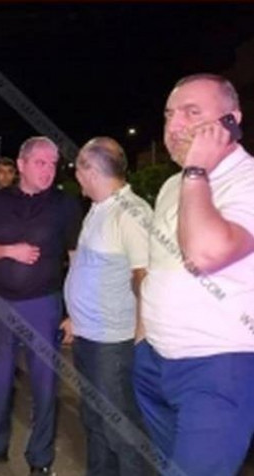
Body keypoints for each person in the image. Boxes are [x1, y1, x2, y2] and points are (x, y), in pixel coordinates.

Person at [134, 73, 254, 475]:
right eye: (169, 115)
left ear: (231, 120)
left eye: (192, 113)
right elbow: (157, 266)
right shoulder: (173, 185)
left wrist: (197, 170)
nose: (175, 126)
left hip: (218, 367)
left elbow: (205, 253)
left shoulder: (245, 179)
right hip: (155, 360)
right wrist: (142, 339)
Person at [0, 136, 82, 475]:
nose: (48, 171)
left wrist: (74, 313)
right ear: (21, 164)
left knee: (44, 385)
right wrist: (9, 251)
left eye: (53, 164)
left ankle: (40, 459)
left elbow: (76, 259)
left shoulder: (65, 204)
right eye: (40, 163)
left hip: (43, 305)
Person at [63, 137, 150, 475]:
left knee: (121, 430)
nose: (76, 177)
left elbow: (145, 278)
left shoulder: (131, 213)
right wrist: (75, 317)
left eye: (79, 169)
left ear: (92, 170)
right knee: (95, 422)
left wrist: (141, 338)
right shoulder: (99, 209)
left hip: (113, 344)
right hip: (89, 337)